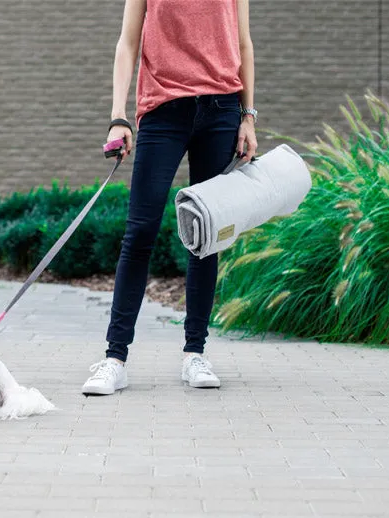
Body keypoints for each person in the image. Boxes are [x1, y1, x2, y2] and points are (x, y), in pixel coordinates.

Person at [82, 0, 258, 395]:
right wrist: (118, 115)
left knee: (205, 235)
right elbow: (128, 42)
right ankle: (115, 358)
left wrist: (248, 116)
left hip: (221, 110)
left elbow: (244, 44)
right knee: (140, 230)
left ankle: (195, 352)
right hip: (163, 111)